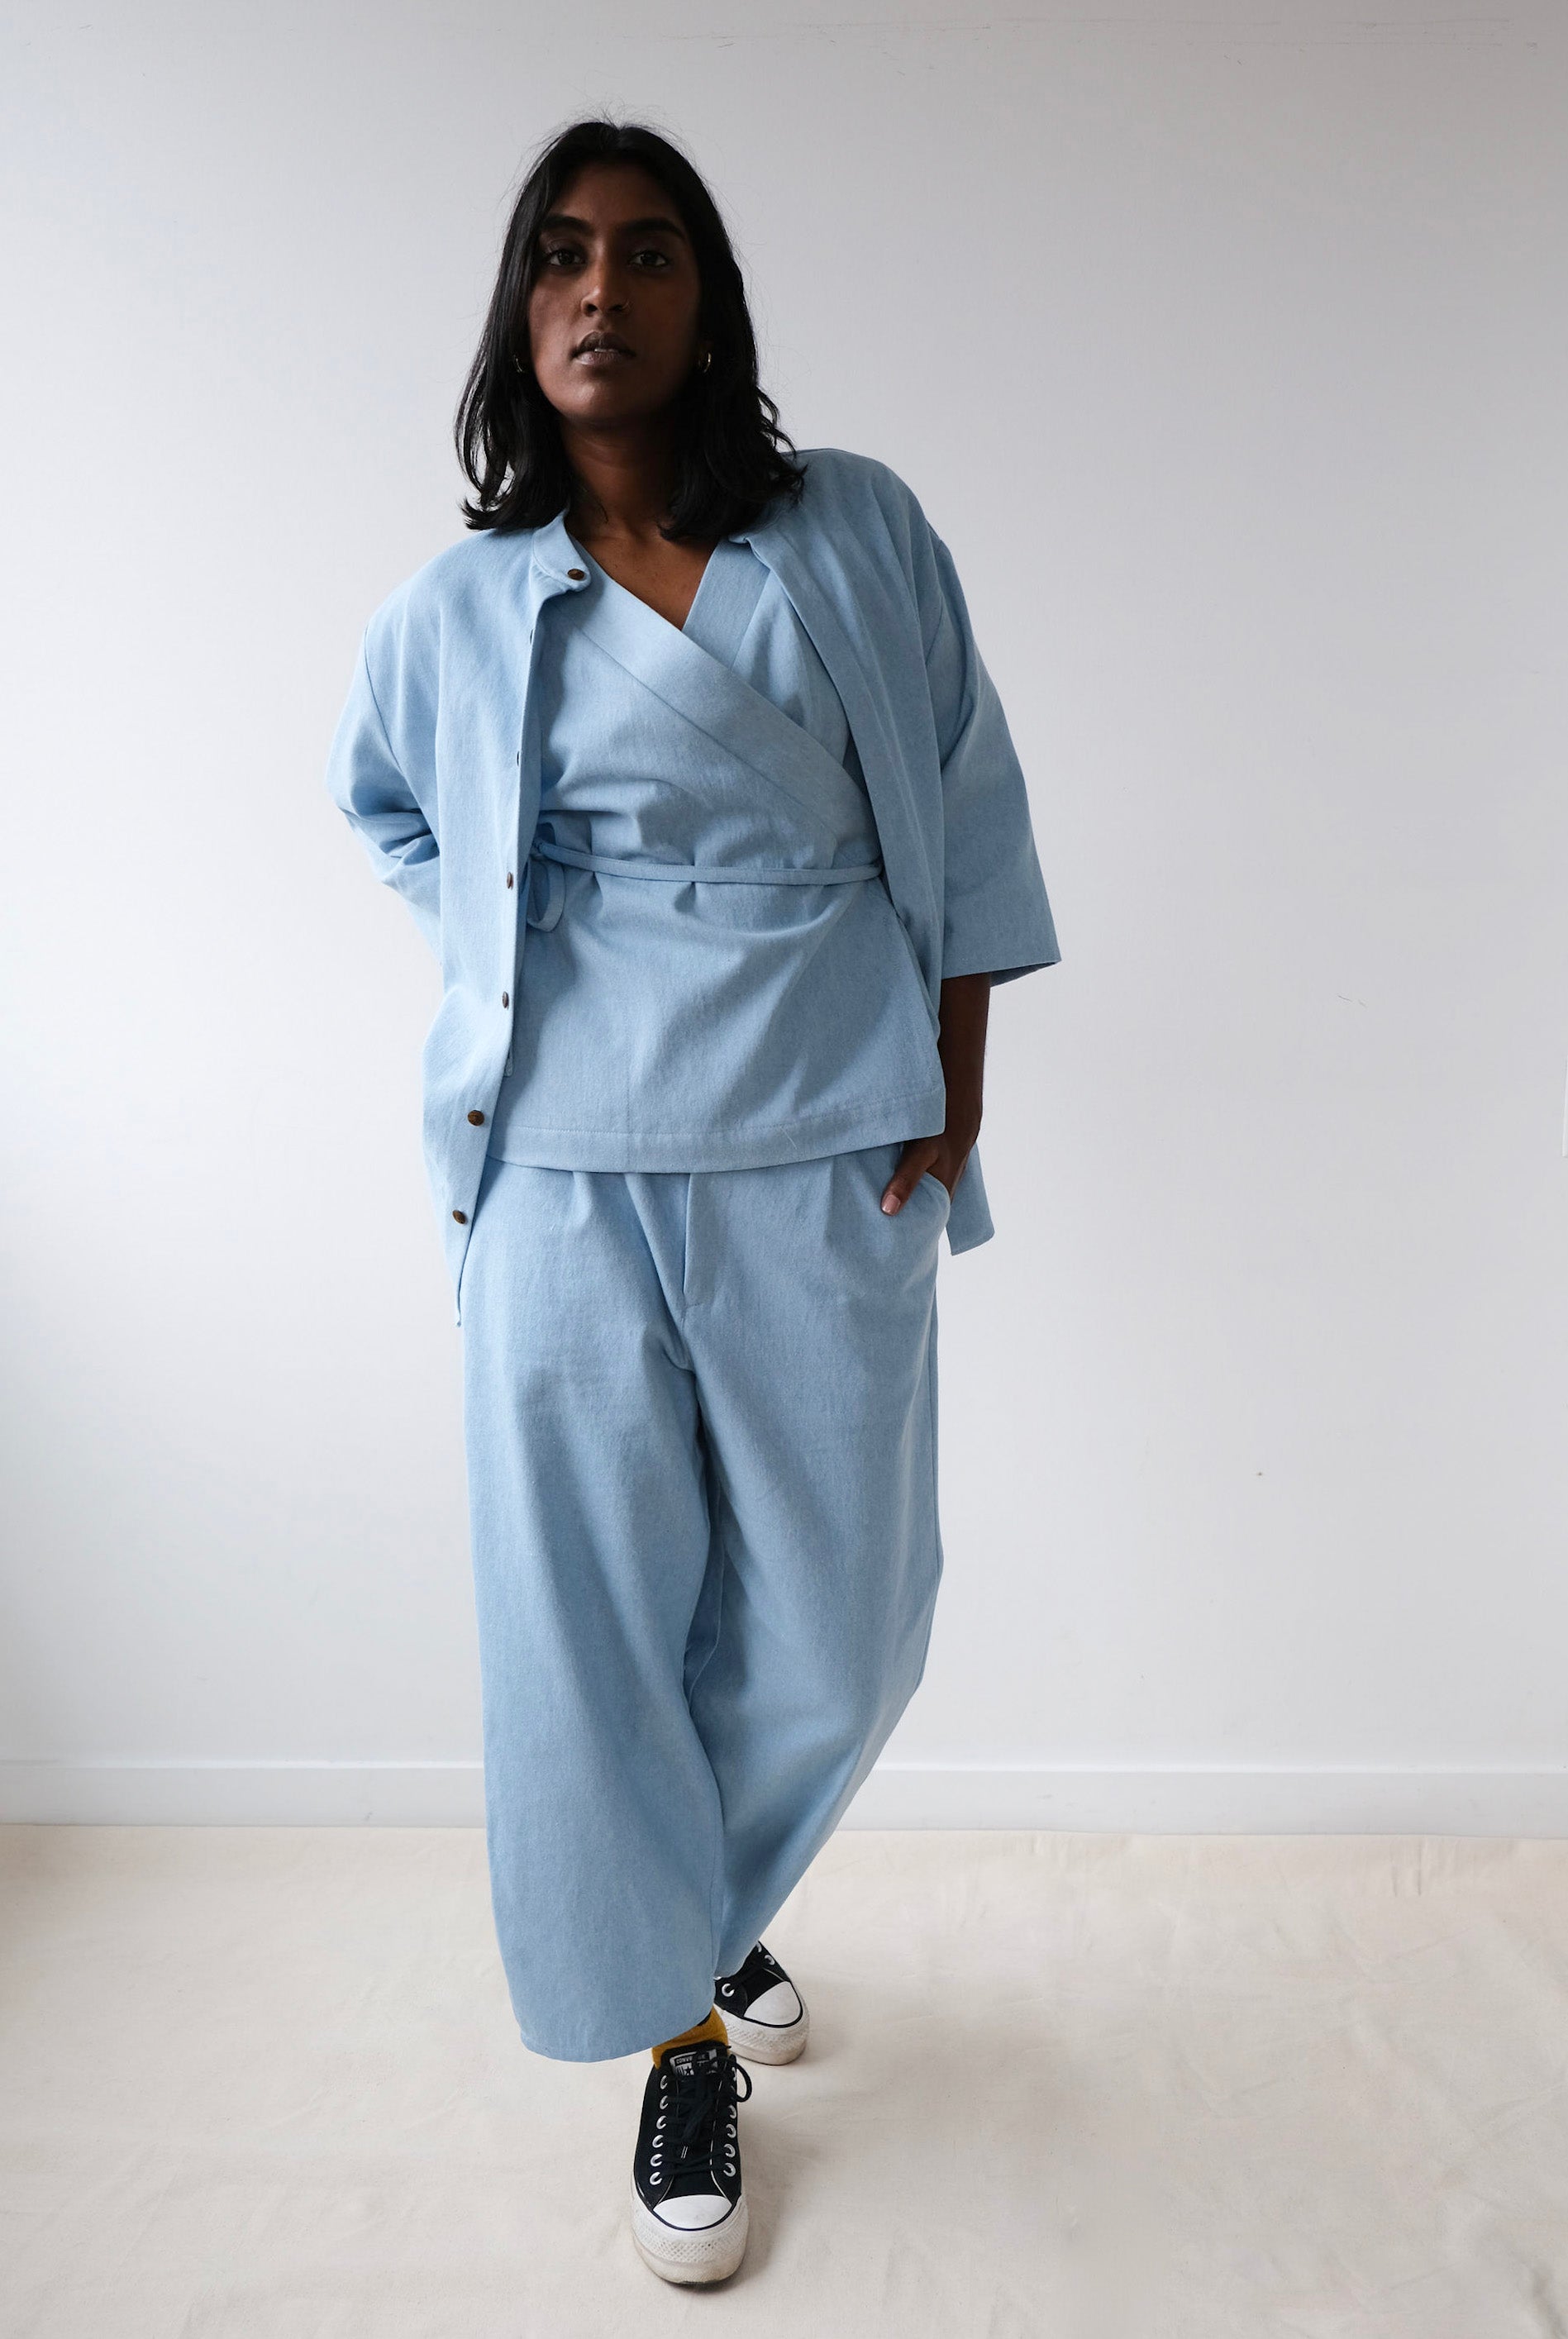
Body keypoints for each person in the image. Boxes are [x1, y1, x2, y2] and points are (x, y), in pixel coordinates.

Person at [325, 117, 1060, 2287]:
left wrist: (955, 1081)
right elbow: (386, 806)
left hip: (827, 1139)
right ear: (517, 306)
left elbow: (966, 799)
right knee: (587, 1622)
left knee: (848, 1623)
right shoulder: (458, 606)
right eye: (560, 252)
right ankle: (680, 2030)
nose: (600, 288)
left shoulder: (858, 531)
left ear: (704, 301)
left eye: (647, 252)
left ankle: (688, 1901)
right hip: (555, 1169)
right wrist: (515, 941)